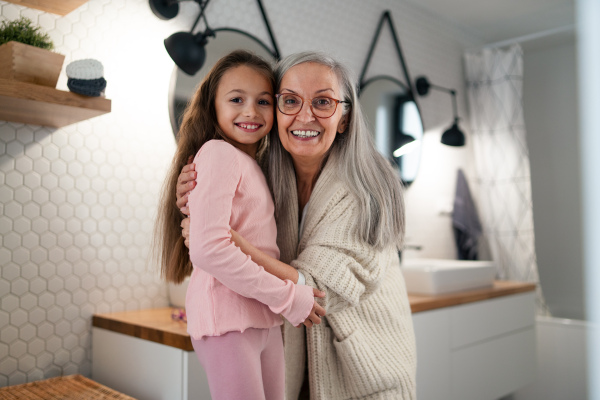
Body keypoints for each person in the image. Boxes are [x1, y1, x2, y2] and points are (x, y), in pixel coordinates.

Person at [177, 51, 417, 399]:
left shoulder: (366, 191)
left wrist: (232, 243)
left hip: (364, 373)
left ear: (345, 118)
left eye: (322, 102)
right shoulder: (267, 175)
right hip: (296, 365)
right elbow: (220, 229)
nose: (305, 115)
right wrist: (189, 199)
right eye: (290, 101)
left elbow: (316, 292)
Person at [154, 50, 326, 400]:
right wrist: (288, 297)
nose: (251, 111)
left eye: (263, 101)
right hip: (229, 318)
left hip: (260, 318)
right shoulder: (218, 154)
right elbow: (209, 249)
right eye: (236, 99)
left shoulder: (253, 164)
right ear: (212, 106)